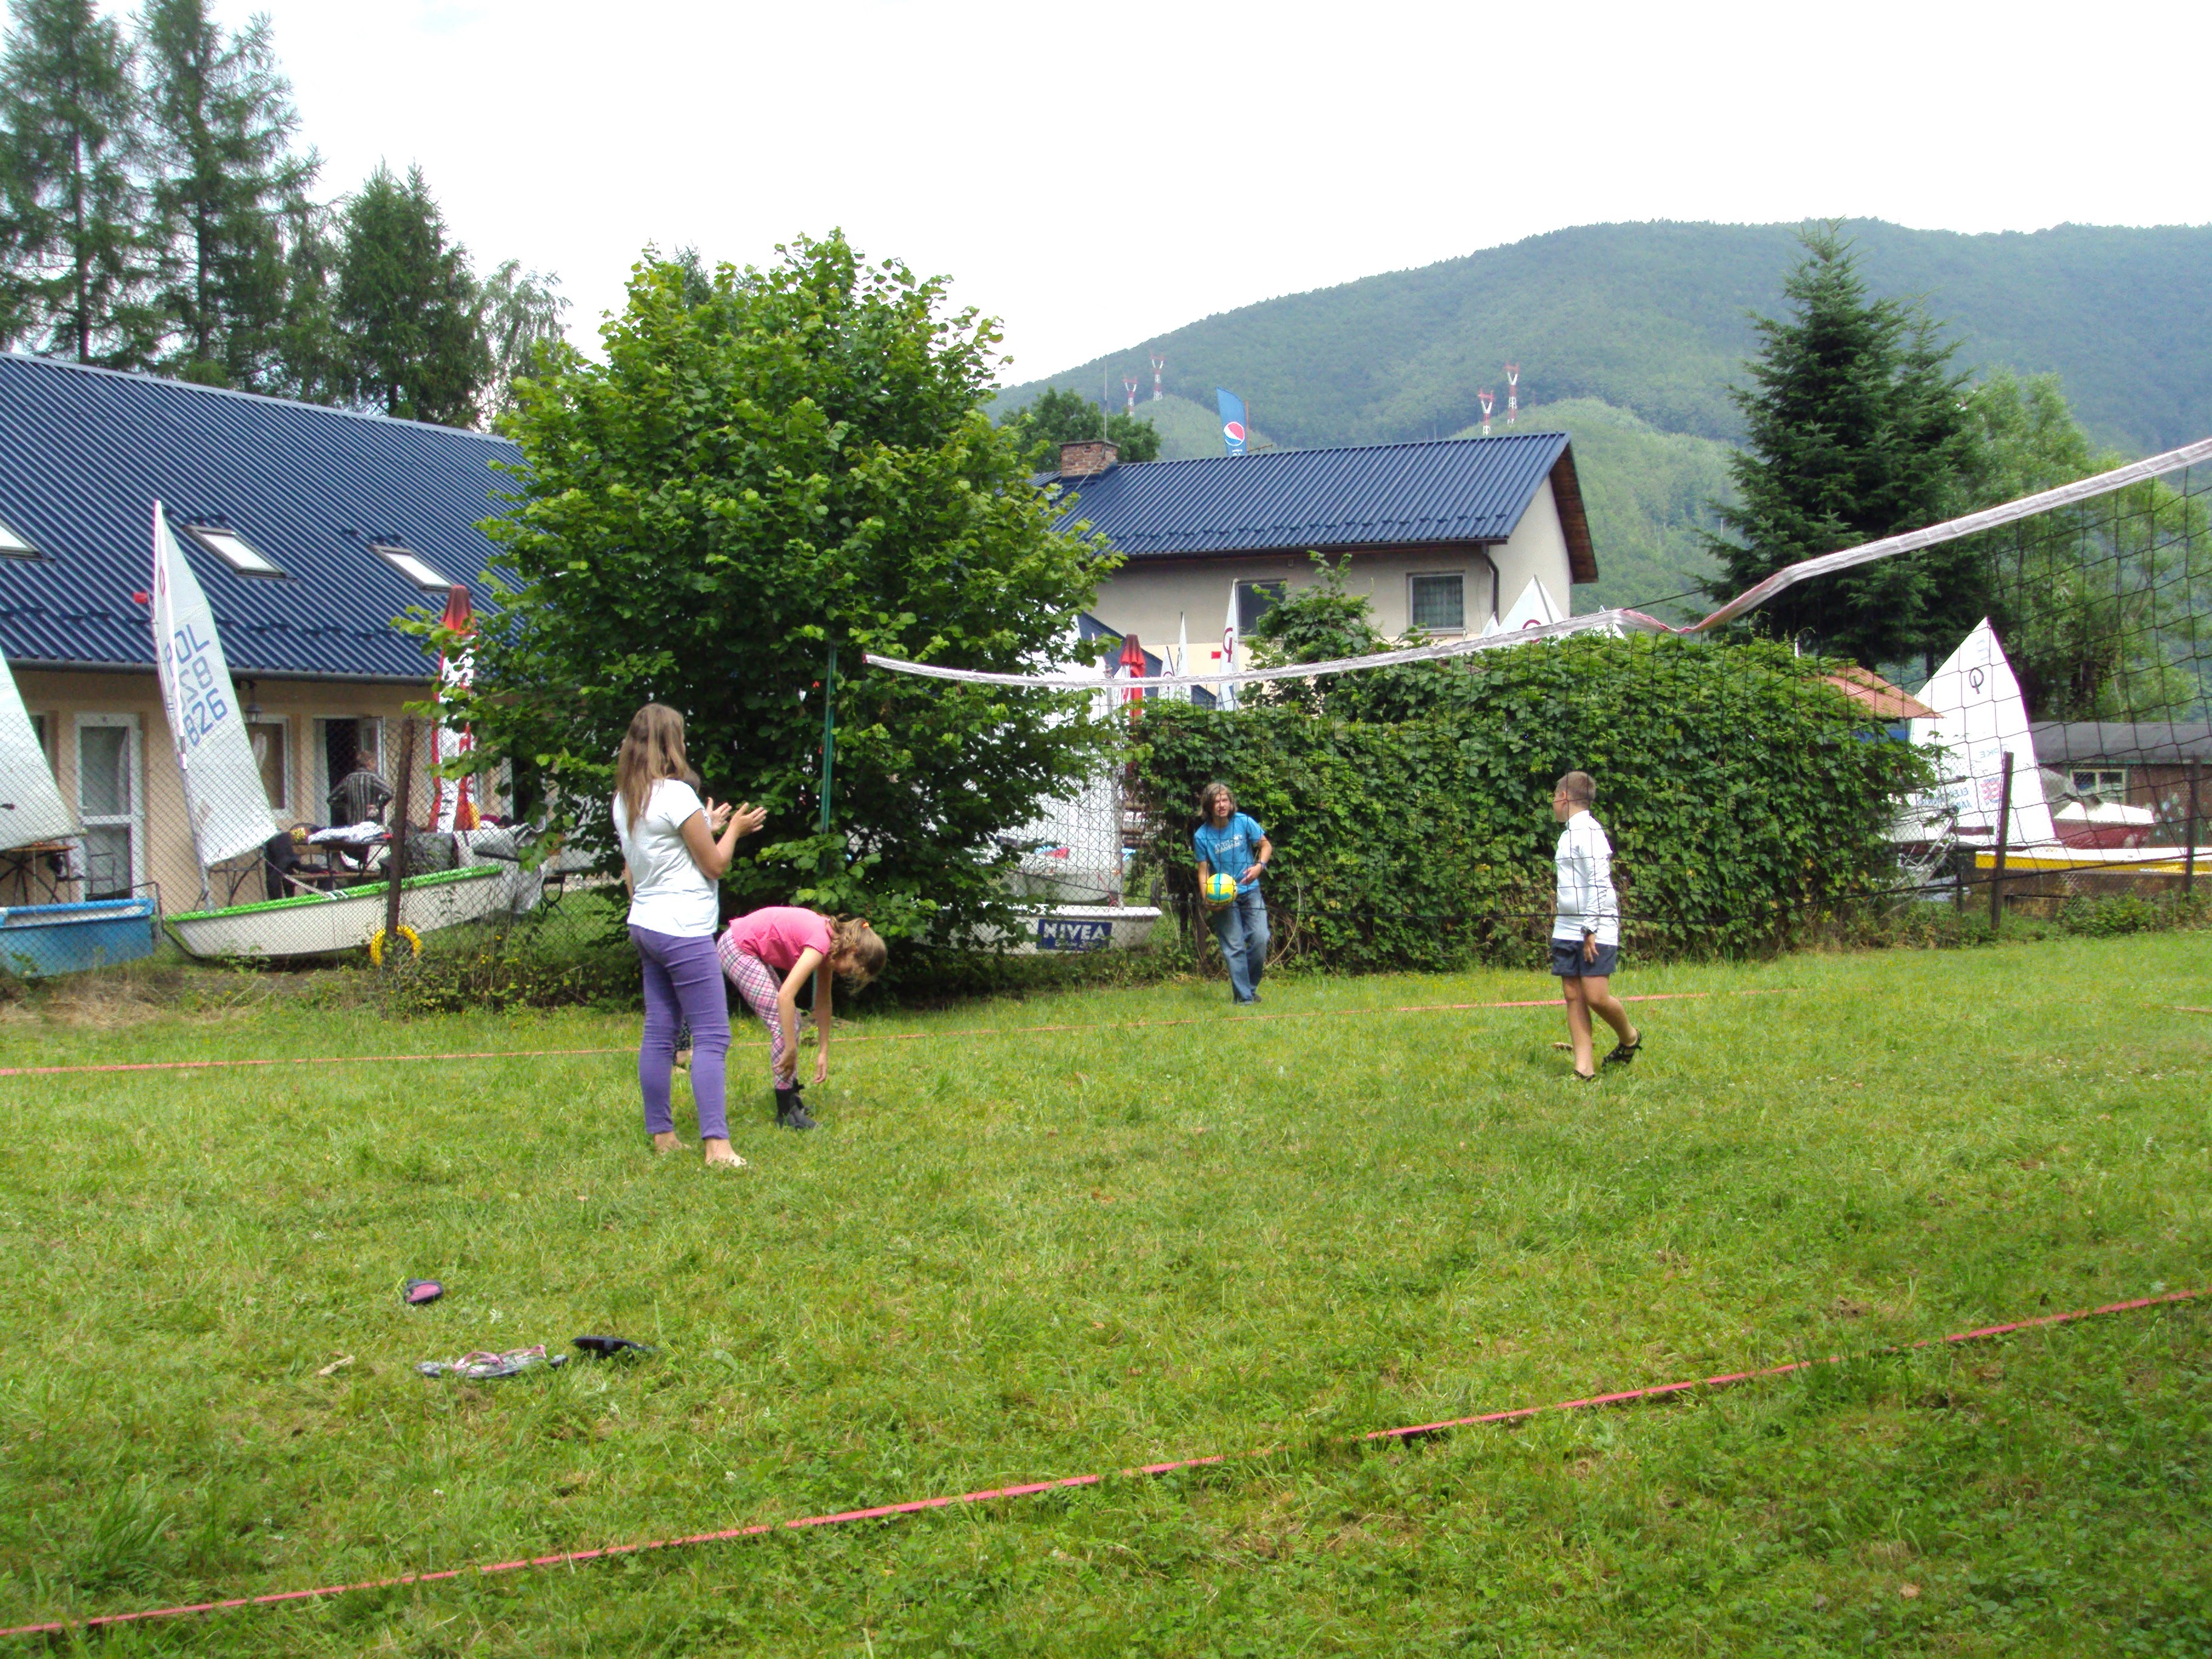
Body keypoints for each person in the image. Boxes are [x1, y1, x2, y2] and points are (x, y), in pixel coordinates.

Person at [612, 703, 766, 1167]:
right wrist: (733, 830)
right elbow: (714, 864)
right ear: (671, 743)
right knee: (712, 1035)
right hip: (683, 931)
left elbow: (651, 859)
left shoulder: (626, 798)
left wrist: (708, 825)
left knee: (660, 1032)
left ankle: (662, 1136)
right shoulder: (677, 795)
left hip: (646, 924)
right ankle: (717, 1146)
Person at [718, 907, 888, 1130]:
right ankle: (785, 1112)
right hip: (736, 947)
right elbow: (785, 997)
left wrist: (824, 1051)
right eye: (851, 970)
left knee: (792, 1020)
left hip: (746, 947)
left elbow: (823, 1002)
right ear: (853, 950)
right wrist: (790, 1048)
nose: (845, 974)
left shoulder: (833, 947)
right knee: (783, 1022)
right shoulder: (821, 943)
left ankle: (792, 1099)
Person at [1551, 769, 1640, 1081]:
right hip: (1566, 925)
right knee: (1573, 994)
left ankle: (1630, 1037)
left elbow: (1600, 883)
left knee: (1596, 996)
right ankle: (1584, 1068)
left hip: (1596, 924)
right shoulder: (1567, 835)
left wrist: (1590, 928)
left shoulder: (1590, 832)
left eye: (1554, 797)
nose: (1553, 803)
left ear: (1564, 797)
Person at [1192, 781, 1272, 1005]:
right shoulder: (1202, 836)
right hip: (1224, 896)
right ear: (1208, 806)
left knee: (1261, 938)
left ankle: (1249, 989)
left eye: (1225, 800)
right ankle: (1245, 999)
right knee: (1234, 947)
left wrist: (1260, 867)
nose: (1221, 805)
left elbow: (1266, 846)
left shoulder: (1244, 822)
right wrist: (1208, 899)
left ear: (1230, 802)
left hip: (1250, 890)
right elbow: (1203, 871)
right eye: (1216, 801)